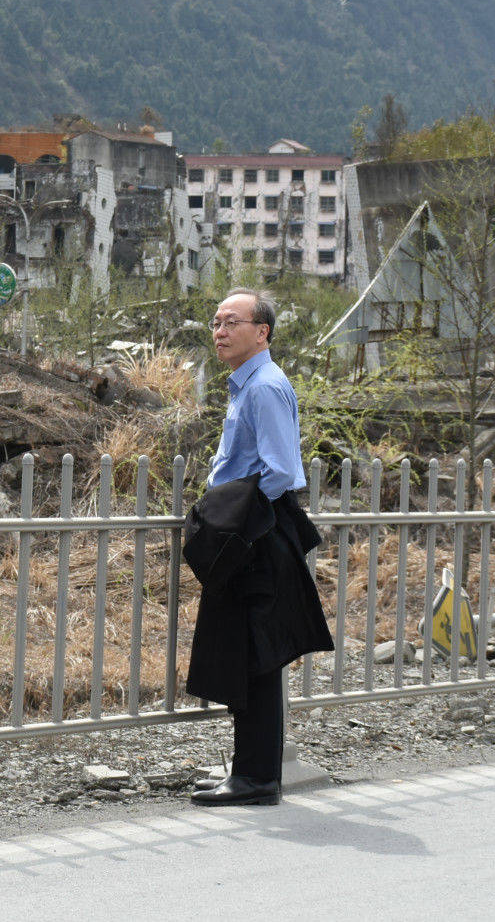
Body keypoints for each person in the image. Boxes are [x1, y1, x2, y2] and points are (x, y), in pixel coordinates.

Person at [187, 288, 333, 807]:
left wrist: (234, 524)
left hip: (255, 536)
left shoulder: (265, 387)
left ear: (262, 332)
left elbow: (280, 473)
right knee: (246, 653)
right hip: (252, 532)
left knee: (257, 657)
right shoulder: (247, 385)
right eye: (216, 322)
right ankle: (252, 772)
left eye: (232, 322)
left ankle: (256, 778)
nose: (220, 331)